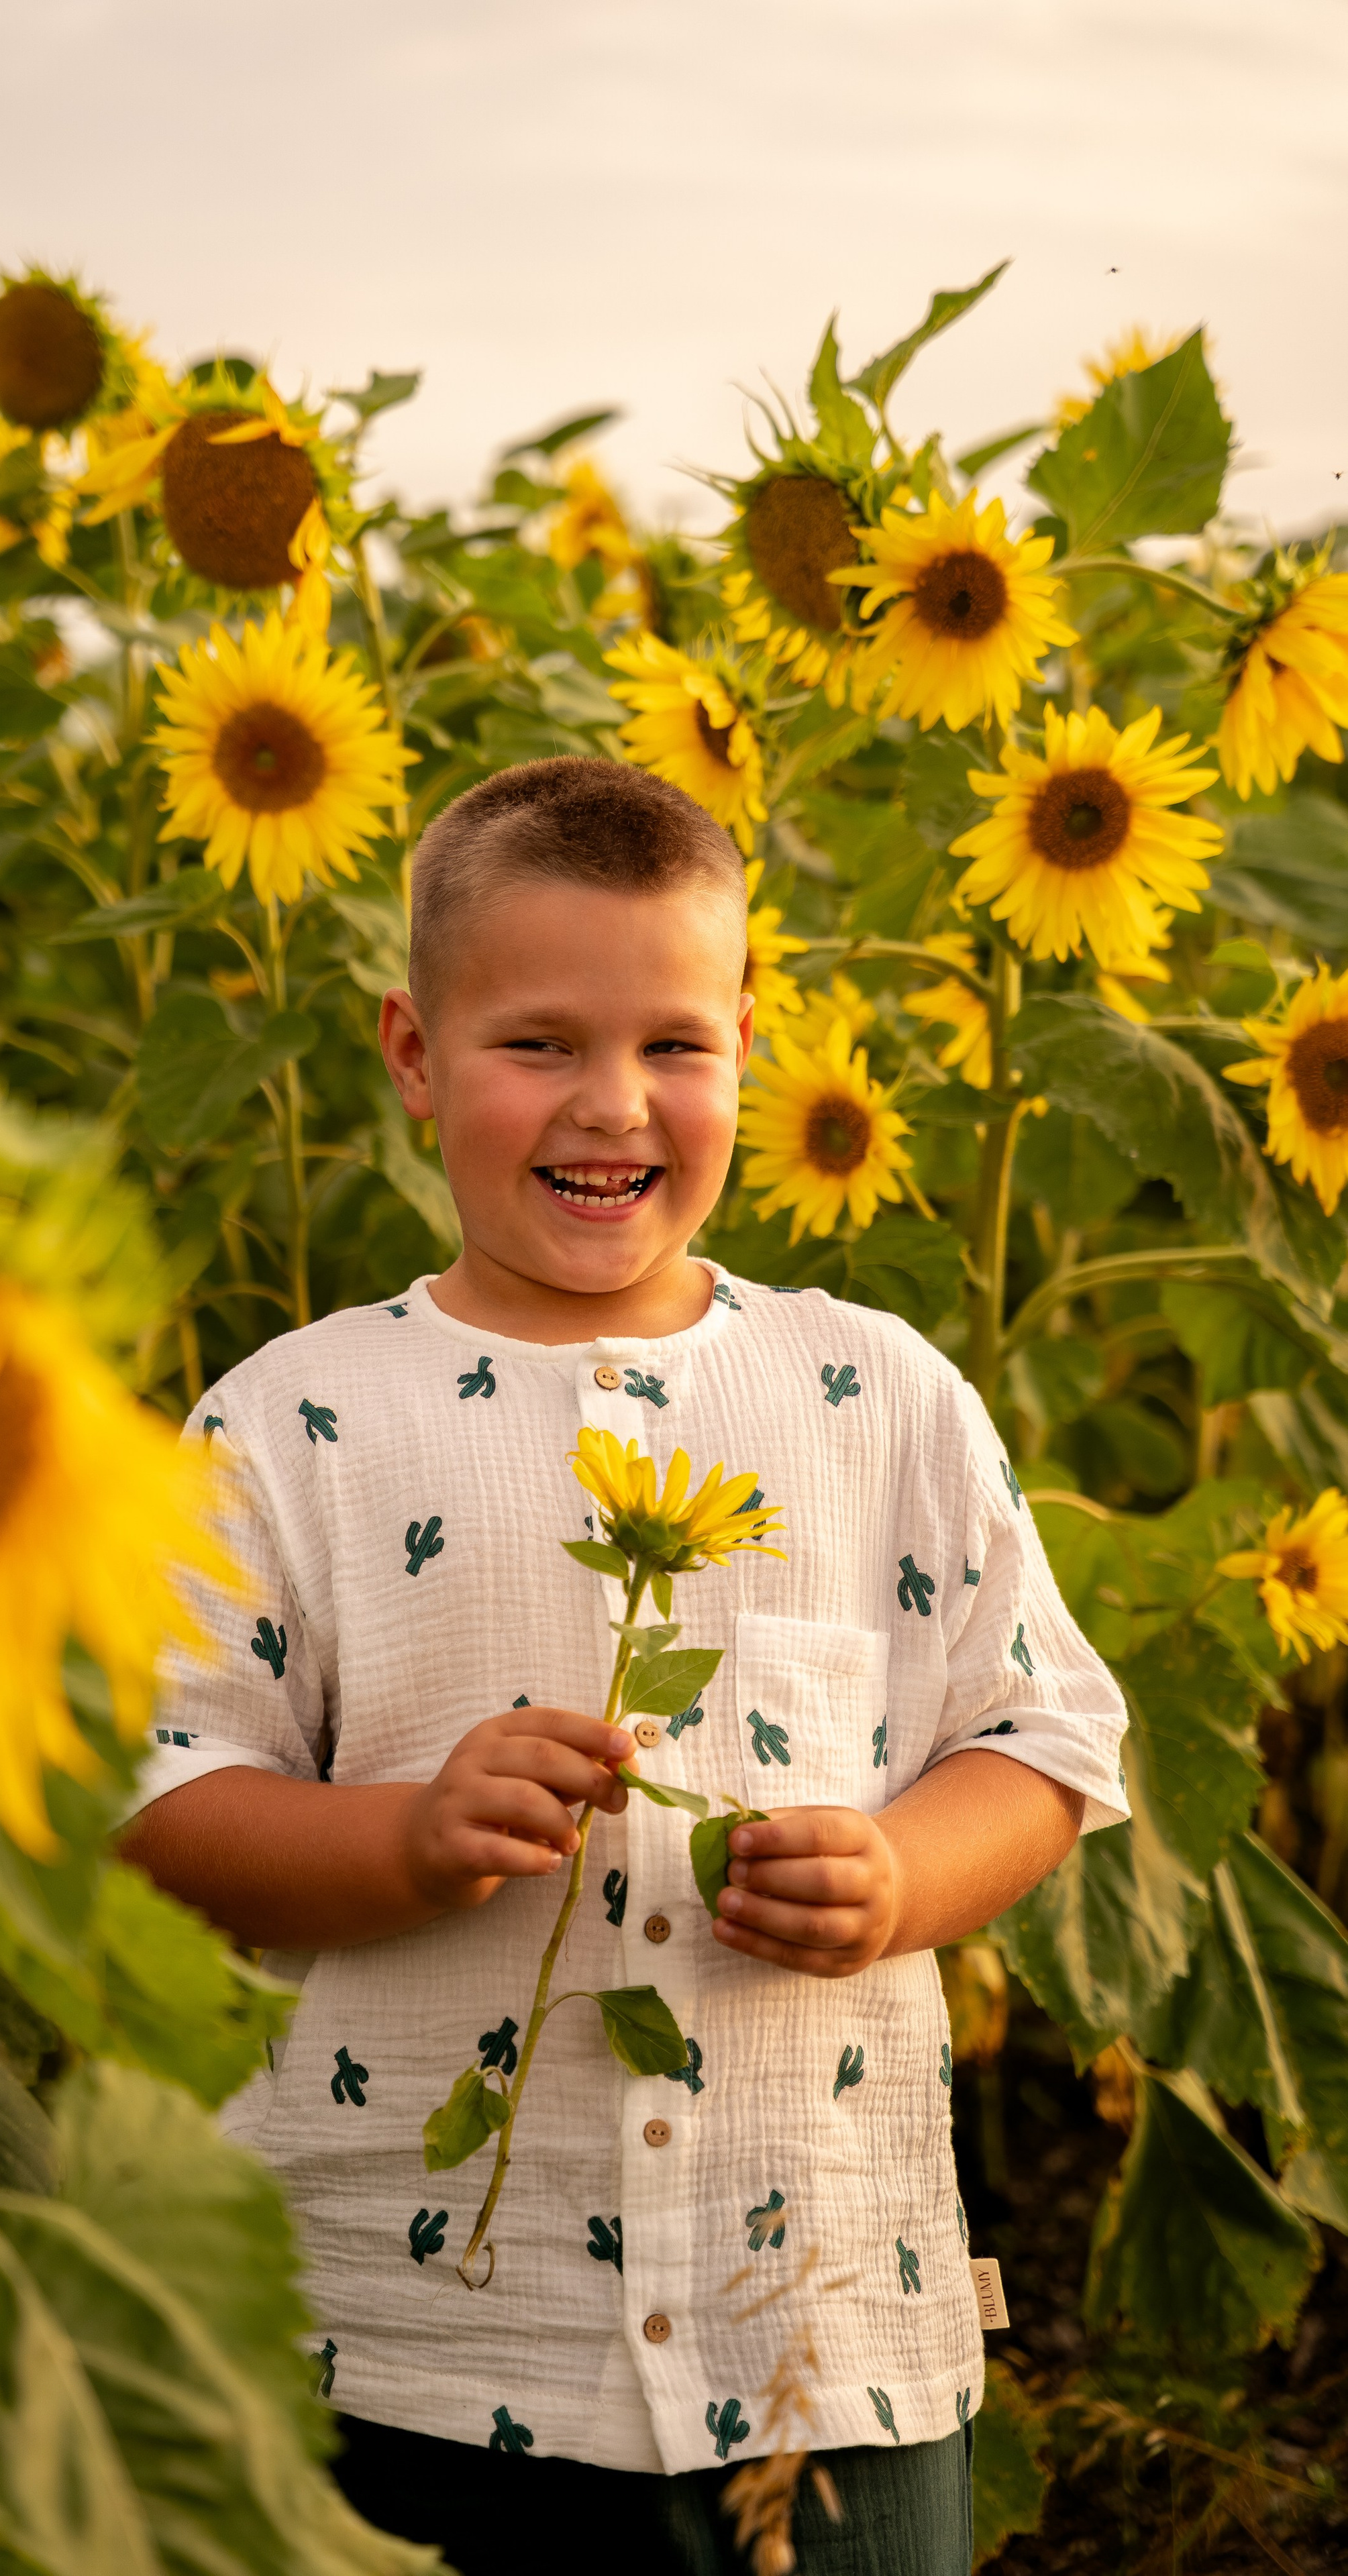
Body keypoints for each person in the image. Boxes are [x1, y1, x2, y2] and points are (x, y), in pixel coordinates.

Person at [121, 756, 1127, 2576]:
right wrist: (407, 1842)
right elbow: (170, 1795)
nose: (615, 1105)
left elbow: (1038, 1739)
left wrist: (906, 1875)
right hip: (404, 2348)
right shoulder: (297, 1424)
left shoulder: (874, 1397)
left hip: (818, 2333)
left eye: (675, 1043)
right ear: (413, 1054)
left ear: (750, 1035)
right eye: (536, 1046)